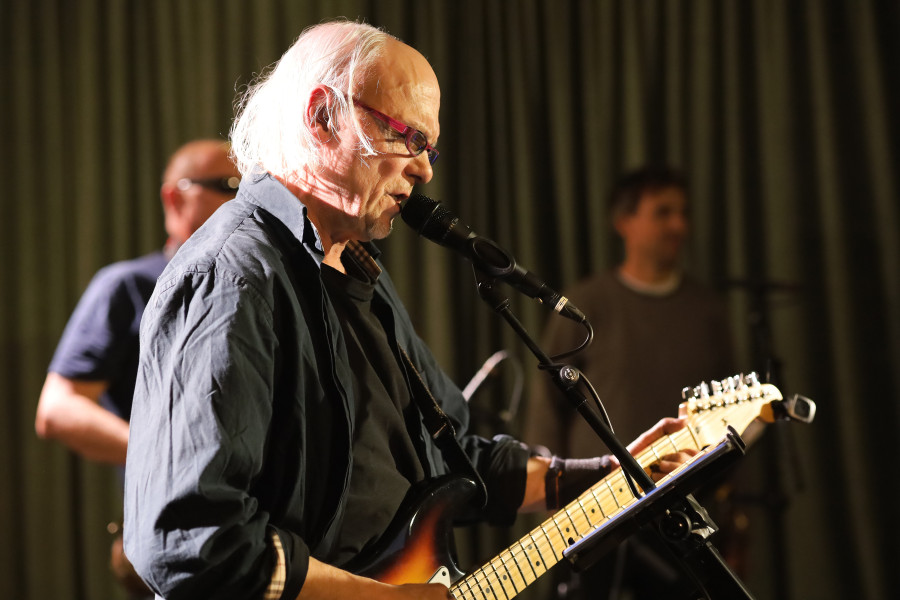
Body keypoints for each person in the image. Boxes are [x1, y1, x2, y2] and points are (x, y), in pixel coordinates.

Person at [123, 21, 695, 600]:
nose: (425, 169)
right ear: (323, 116)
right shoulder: (230, 275)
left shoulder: (359, 271)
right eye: (408, 137)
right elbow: (191, 539)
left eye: (430, 147)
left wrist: (612, 475)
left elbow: (453, 459)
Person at [35, 138, 240, 597]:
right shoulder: (128, 286)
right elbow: (57, 409)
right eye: (229, 185)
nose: (243, 199)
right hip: (185, 539)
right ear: (174, 198)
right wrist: (174, 457)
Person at [521, 165, 737, 599]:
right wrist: (552, 513)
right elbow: (547, 408)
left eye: (683, 213)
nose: (678, 225)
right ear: (624, 222)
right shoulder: (586, 304)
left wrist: (735, 516)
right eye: (663, 212)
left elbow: (730, 416)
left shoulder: (706, 311)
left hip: (682, 518)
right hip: (597, 517)